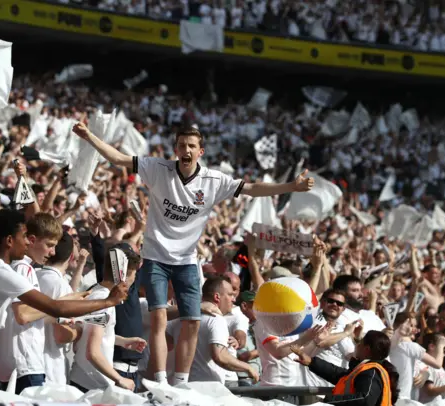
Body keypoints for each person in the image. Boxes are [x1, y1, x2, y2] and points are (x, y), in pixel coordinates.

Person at [72, 122, 314, 385]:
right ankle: (162, 380)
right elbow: (118, 158)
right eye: (181, 145)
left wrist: (291, 186)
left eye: (191, 146)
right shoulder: (156, 168)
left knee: (193, 322)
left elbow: (253, 188)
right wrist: (90, 136)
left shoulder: (214, 180)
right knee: (159, 319)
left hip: (187, 260)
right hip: (156, 257)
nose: (185, 150)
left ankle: (181, 382)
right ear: (175, 149)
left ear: (200, 151)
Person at [0, 209, 129, 393]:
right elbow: (55, 308)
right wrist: (108, 302)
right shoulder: (0, 271)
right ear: (9, 240)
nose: (28, 242)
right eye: (24, 237)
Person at [0, 213, 63, 393]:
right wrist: (59, 305)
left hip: (17, 365)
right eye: (49, 245)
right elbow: (23, 315)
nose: (53, 252)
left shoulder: (19, 266)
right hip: (24, 365)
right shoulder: (23, 268)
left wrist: (57, 315)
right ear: (32, 240)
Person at [69, 243, 147, 392]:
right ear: (124, 274)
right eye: (134, 274)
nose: (133, 280)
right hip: (90, 385)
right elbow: (92, 352)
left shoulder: (98, 294)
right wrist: (119, 379)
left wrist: (122, 341)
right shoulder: (103, 301)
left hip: (87, 382)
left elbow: (92, 333)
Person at [165, 276, 259, 384]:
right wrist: (248, 368)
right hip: (209, 391)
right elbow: (220, 356)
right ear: (217, 297)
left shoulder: (178, 319)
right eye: (230, 295)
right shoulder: (216, 319)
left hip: (180, 386)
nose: (234, 299)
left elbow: (167, 346)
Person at [291, 330, 400, 406]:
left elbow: (365, 400)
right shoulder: (366, 369)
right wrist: (311, 362)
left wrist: (328, 400)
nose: (357, 345)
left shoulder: (371, 372)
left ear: (366, 350)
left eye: (360, 343)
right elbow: (340, 375)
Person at [36, 233, 83, 385]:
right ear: (70, 257)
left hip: (32, 363)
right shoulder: (60, 285)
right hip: (51, 368)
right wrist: (80, 330)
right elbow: (61, 335)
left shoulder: (33, 275)